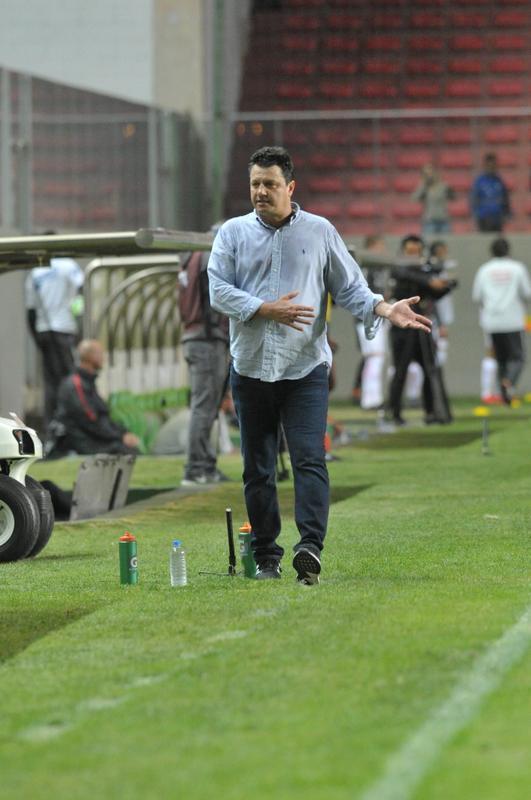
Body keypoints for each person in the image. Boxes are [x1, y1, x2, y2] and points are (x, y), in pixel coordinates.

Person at [208, 146, 432, 585]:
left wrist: (385, 309)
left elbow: (351, 288)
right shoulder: (232, 233)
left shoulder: (320, 231)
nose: (260, 191)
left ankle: (309, 548)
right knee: (257, 468)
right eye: (255, 184)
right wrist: (264, 308)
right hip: (250, 368)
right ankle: (266, 556)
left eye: (270, 184)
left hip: (305, 368)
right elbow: (217, 290)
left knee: (310, 459)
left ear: (290, 187)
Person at [386, 234, 456, 426]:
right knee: (400, 370)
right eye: (410, 251)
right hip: (402, 327)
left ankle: (432, 412)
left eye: (416, 251)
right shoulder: (400, 268)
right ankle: (394, 413)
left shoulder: (424, 270)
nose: (413, 255)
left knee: (430, 369)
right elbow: (403, 274)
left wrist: (446, 285)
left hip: (422, 325)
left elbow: (433, 293)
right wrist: (429, 280)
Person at [178, 247, 231, 486]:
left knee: (205, 407)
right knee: (204, 407)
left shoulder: (189, 260)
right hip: (207, 339)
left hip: (194, 337)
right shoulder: (207, 258)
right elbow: (215, 300)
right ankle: (197, 469)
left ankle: (204, 466)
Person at [25, 237, 84, 427]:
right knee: (70, 379)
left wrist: (37, 337)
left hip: (43, 330)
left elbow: (30, 311)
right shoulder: (68, 265)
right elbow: (81, 292)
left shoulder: (35, 272)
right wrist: (78, 321)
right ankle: (71, 425)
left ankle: (51, 425)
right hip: (64, 328)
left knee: (50, 381)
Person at [46, 339, 140, 456]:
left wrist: (123, 433)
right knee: (126, 452)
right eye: (100, 354)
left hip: (93, 440)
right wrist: (120, 437)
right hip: (82, 443)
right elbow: (90, 420)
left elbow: (102, 417)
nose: (103, 358)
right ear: (91, 356)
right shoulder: (76, 385)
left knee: (130, 451)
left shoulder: (87, 382)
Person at [472, 237, 531, 405]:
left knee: (500, 359)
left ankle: (504, 395)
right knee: (517, 357)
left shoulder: (484, 270)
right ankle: (508, 382)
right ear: (508, 250)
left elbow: (476, 296)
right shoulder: (517, 268)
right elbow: (527, 292)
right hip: (513, 320)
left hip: (492, 321)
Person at [470, 153, 511, 233]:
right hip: (484, 217)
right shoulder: (479, 181)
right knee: (485, 239)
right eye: (489, 165)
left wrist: (507, 213)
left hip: (498, 217)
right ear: (485, 165)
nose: (492, 167)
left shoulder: (499, 181)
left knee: (497, 239)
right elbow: (474, 198)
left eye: (494, 165)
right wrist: (477, 213)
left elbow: (505, 198)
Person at [412, 164, 454, 237]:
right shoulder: (423, 187)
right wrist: (423, 186)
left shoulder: (443, 186)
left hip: (443, 220)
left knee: (446, 242)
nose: (429, 176)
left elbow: (453, 197)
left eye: (431, 173)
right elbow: (414, 199)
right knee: (428, 241)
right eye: (426, 174)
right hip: (429, 222)